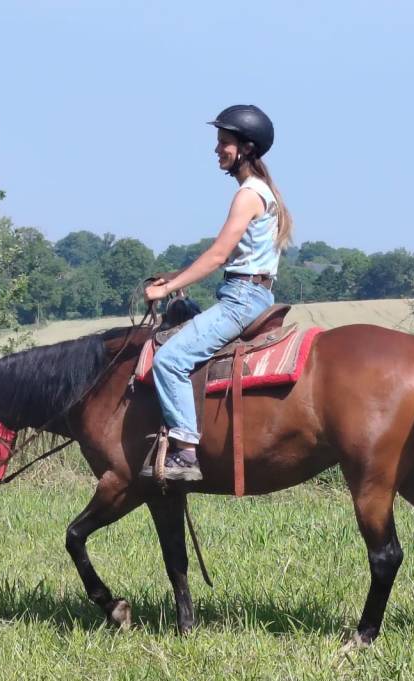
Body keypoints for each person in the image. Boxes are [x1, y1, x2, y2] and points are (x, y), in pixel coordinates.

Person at [142, 104, 294, 482]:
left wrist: (167, 288)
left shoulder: (248, 195)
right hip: (250, 294)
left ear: (246, 148)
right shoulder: (263, 192)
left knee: (170, 360)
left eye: (224, 142)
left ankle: (185, 452)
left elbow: (217, 256)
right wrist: (176, 277)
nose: (217, 150)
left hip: (241, 300)